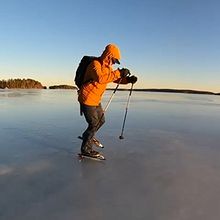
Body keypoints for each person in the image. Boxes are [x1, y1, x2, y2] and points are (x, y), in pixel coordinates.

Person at [78, 43, 137, 158]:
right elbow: (100, 78)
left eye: (116, 62)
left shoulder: (107, 68)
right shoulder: (95, 64)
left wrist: (128, 80)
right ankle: (86, 149)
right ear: (109, 56)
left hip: (95, 99)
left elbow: (114, 79)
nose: (114, 63)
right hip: (87, 99)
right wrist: (119, 72)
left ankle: (89, 135)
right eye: (114, 60)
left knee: (101, 120)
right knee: (93, 123)